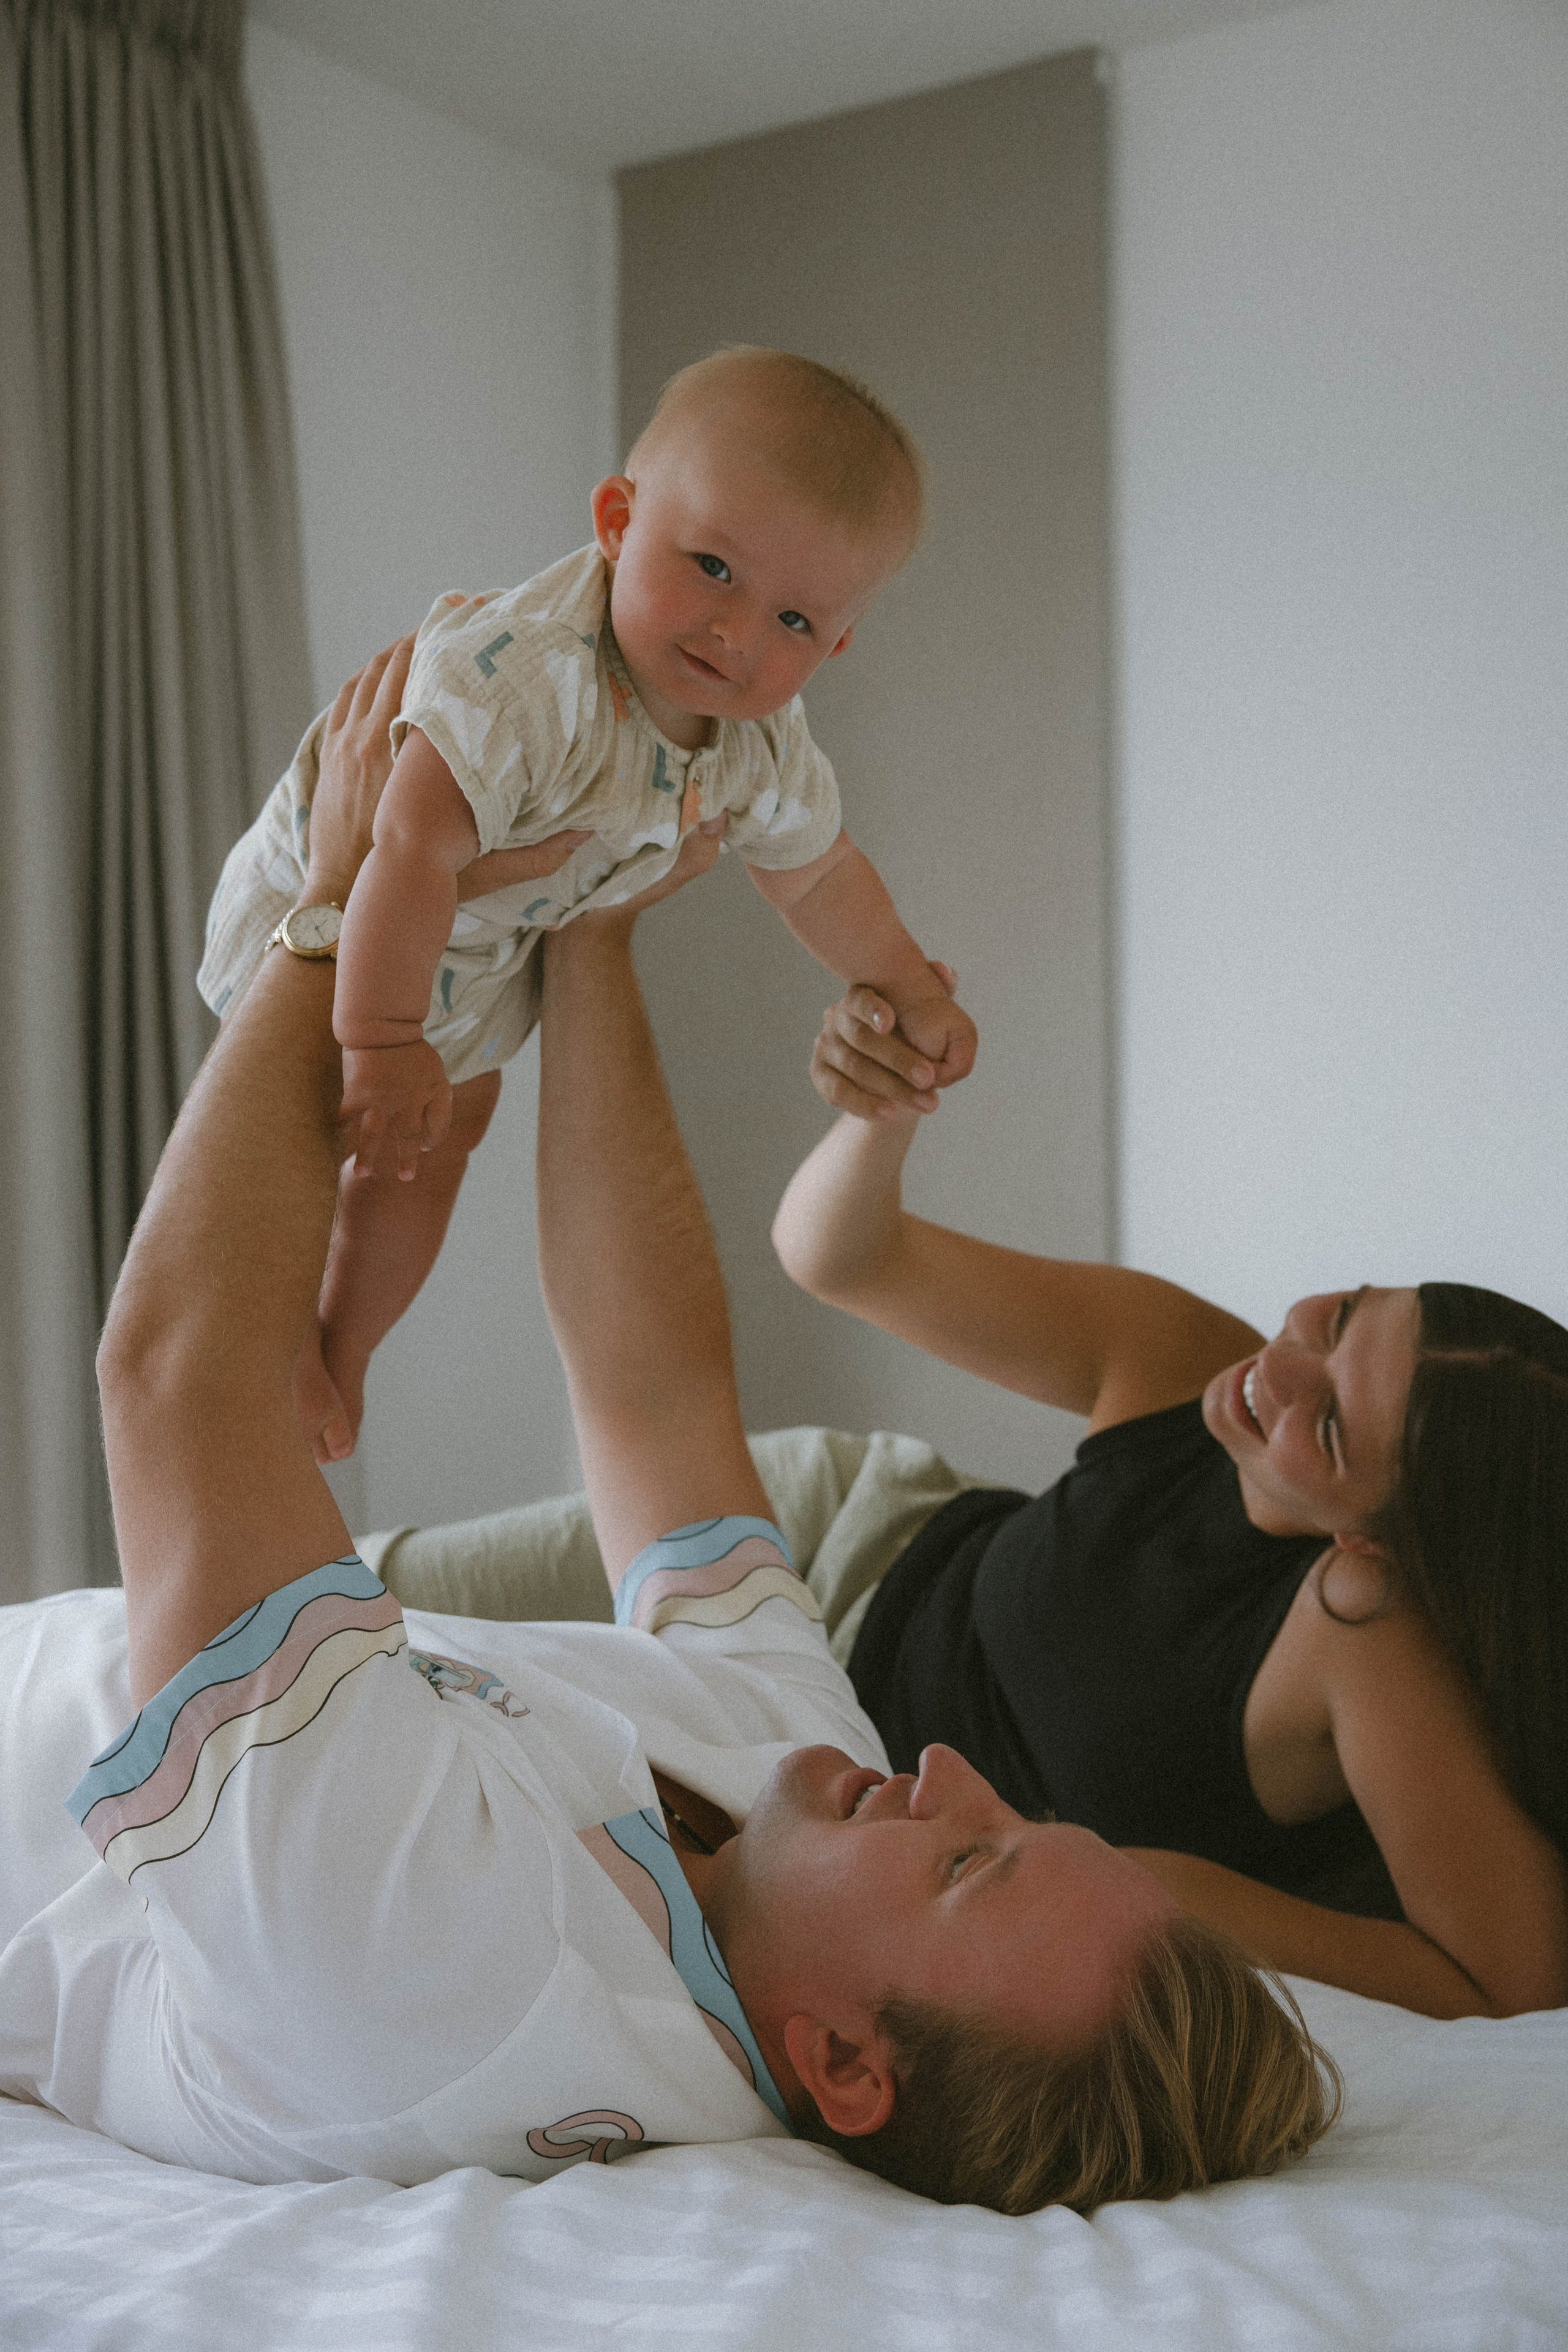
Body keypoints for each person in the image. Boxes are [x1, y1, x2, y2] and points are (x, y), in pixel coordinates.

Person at [0, 645, 1333, 2217]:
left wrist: (345, 918)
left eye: (970, 1861)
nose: (957, 1772)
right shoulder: (796, 1826)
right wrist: (597, 929)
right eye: (1017, 1818)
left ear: (842, 2066)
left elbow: (180, 1380)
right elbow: (654, 1397)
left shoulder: (455, 1978)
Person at [197, 347, 976, 1467]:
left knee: (432, 1154)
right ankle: (261, 1344)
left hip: (476, 961)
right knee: (301, 1141)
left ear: (839, 641)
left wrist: (903, 979)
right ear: (619, 519)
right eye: (711, 567)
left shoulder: (759, 744)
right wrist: (380, 1038)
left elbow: (818, 873)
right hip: (337, 935)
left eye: (796, 622)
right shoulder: (523, 677)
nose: (738, 634)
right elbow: (406, 845)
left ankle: (344, 1345)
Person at [767, 980, 1568, 2023]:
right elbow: (839, 1256)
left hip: (804, 1735)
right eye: (1338, 1317)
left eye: (1325, 1426)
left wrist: (1184, 1901)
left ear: (1382, 1537)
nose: (1279, 1370)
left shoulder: (1359, 1622)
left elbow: (1511, 1979)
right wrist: (882, 1107)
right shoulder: (1195, 1360)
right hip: (830, 1524)